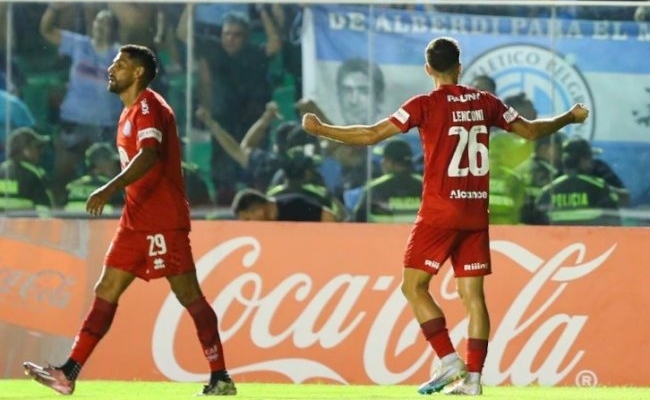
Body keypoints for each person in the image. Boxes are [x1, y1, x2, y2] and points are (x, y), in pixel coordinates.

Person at [301, 36, 589, 395]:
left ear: (428, 69)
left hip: (439, 212)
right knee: (474, 297)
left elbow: (372, 134)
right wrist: (570, 117)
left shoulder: (424, 104)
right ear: (459, 66)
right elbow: (531, 131)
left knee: (413, 286)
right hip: (474, 212)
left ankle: (448, 360)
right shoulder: (486, 102)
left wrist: (322, 129)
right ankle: (473, 380)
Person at [23, 45, 236, 396]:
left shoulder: (151, 107)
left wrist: (109, 188)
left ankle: (221, 377)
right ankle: (68, 373)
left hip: (161, 220)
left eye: (120, 64)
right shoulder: (128, 112)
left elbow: (149, 154)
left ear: (138, 73)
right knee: (106, 290)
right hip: (135, 220)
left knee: (188, 295)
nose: (111, 68)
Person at [39, 4, 123, 205]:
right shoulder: (79, 45)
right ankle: (57, 213)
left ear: (113, 29)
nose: (100, 26)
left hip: (104, 126)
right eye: (98, 21)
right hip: (73, 121)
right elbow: (46, 31)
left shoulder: (121, 55)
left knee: (107, 177)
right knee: (62, 174)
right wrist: (53, 8)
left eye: (106, 23)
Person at [535, 137, 621, 226]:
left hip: (557, 239)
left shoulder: (548, 191)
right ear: (583, 160)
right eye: (590, 158)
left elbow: (537, 226)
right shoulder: (599, 188)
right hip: (591, 239)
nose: (592, 163)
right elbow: (614, 224)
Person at [353, 138, 423, 223]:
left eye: (383, 159)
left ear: (389, 162)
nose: (382, 163)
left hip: (382, 235)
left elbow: (357, 223)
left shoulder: (374, 189)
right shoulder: (427, 188)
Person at [0, 127, 54, 216]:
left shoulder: (1, 170)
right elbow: (45, 211)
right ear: (25, 150)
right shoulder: (35, 174)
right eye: (38, 147)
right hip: (26, 227)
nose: (41, 151)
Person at [63, 142, 123, 215]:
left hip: (73, 225)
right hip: (103, 225)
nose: (116, 167)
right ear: (99, 163)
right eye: (112, 163)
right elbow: (121, 216)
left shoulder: (71, 187)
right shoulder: (111, 188)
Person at [232, 188, 336, 222]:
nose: (247, 226)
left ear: (257, 210)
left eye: (248, 219)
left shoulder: (295, 205)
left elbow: (329, 217)